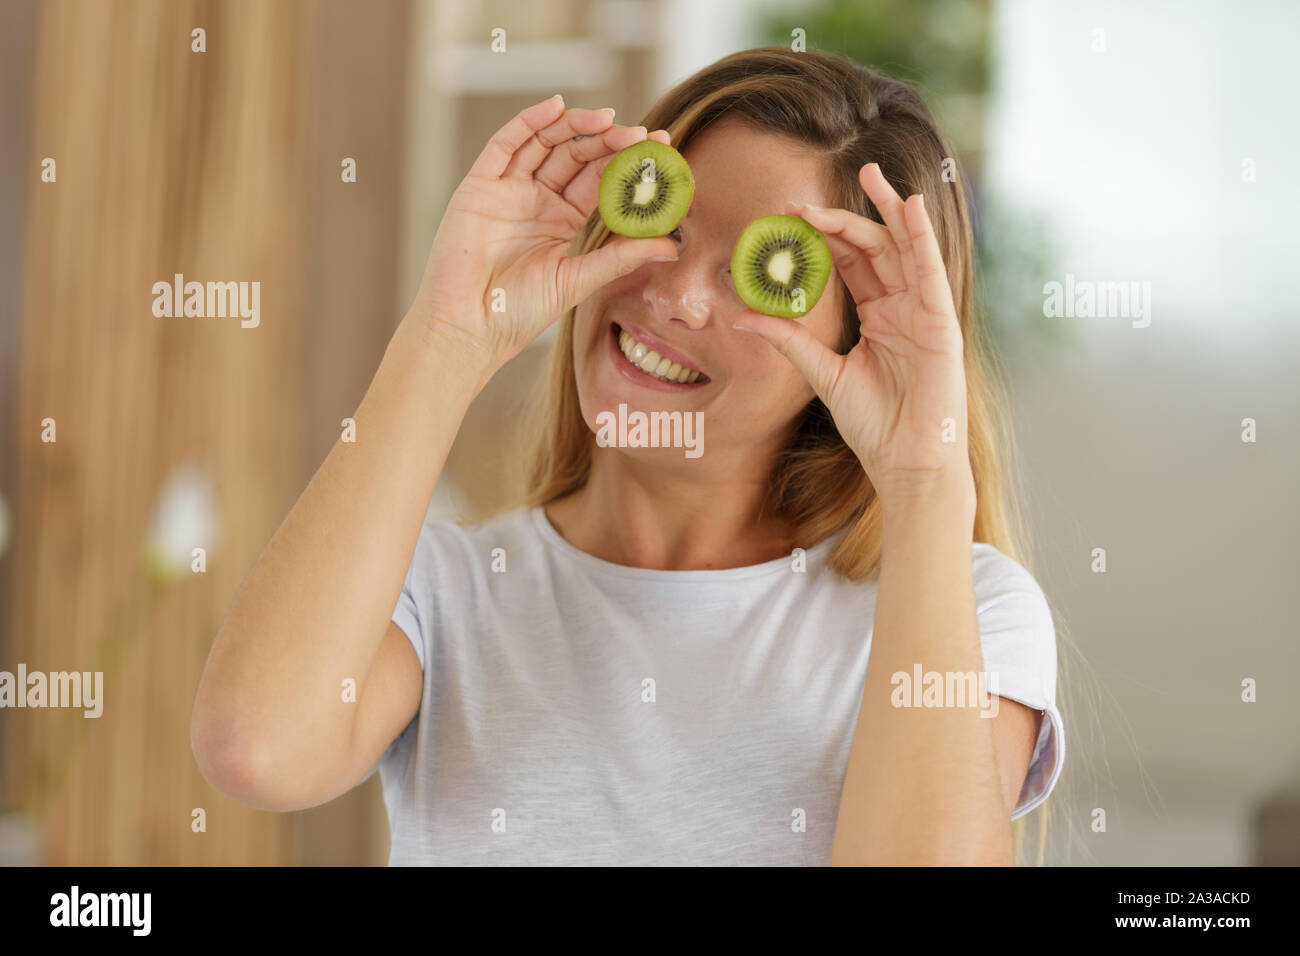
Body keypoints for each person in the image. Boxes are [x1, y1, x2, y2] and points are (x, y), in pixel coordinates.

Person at [191, 47, 1064, 866]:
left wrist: (922, 481)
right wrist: (446, 338)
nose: (675, 296)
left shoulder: (968, 612)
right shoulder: (447, 590)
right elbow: (256, 749)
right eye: (665, 225)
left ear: (856, 345)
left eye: (757, 272)